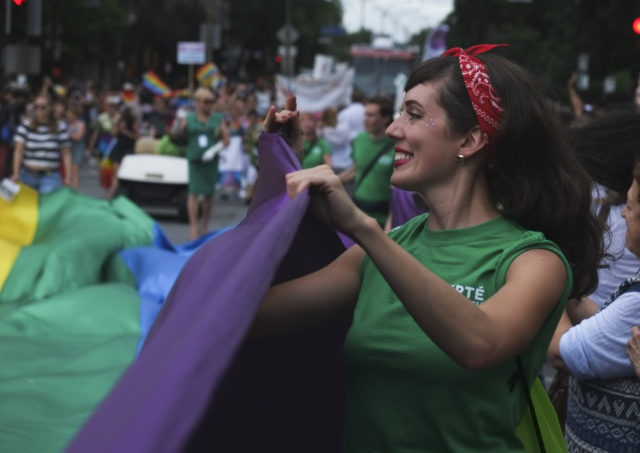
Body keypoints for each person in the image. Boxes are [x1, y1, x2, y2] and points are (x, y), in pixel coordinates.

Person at [255, 45, 605, 452]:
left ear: (471, 139)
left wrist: (363, 228)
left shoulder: (533, 261)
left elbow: (480, 344)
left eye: (414, 114)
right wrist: (281, 176)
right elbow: (249, 315)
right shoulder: (383, 251)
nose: (392, 129)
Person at [172, 87, 229, 240]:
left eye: (211, 101)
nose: (209, 104)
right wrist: (179, 122)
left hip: (210, 160)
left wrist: (214, 150)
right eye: (205, 101)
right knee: (194, 193)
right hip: (195, 159)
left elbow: (226, 139)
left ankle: (204, 225)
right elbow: (176, 135)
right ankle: (193, 227)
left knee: (209, 194)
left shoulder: (217, 118)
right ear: (198, 103)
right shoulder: (189, 117)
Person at [338, 96, 396, 228]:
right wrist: (330, 181)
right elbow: (355, 170)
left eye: (371, 115)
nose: (365, 119)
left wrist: (389, 226)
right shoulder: (359, 139)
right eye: (365, 114)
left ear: (385, 118)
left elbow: (399, 191)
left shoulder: (396, 145)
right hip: (357, 213)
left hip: (382, 218)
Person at [11, 94, 71, 193]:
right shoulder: (26, 125)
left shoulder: (60, 127)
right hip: (27, 174)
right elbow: (18, 151)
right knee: (26, 207)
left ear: (50, 108)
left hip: (50, 176)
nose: (39, 109)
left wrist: (68, 176)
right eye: (36, 106)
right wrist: (15, 173)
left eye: (43, 107)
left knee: (48, 206)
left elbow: (66, 153)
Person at [106, 105, 138, 199]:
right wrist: (117, 126)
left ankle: (125, 190)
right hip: (119, 147)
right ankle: (113, 189)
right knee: (116, 170)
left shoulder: (132, 123)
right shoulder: (119, 122)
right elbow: (113, 134)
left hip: (129, 148)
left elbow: (137, 137)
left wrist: (126, 132)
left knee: (126, 170)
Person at [67, 97, 87, 189]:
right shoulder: (66, 124)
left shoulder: (81, 124)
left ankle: (74, 190)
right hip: (68, 149)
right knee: (68, 170)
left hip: (77, 148)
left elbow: (78, 137)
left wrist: (68, 133)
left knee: (75, 170)